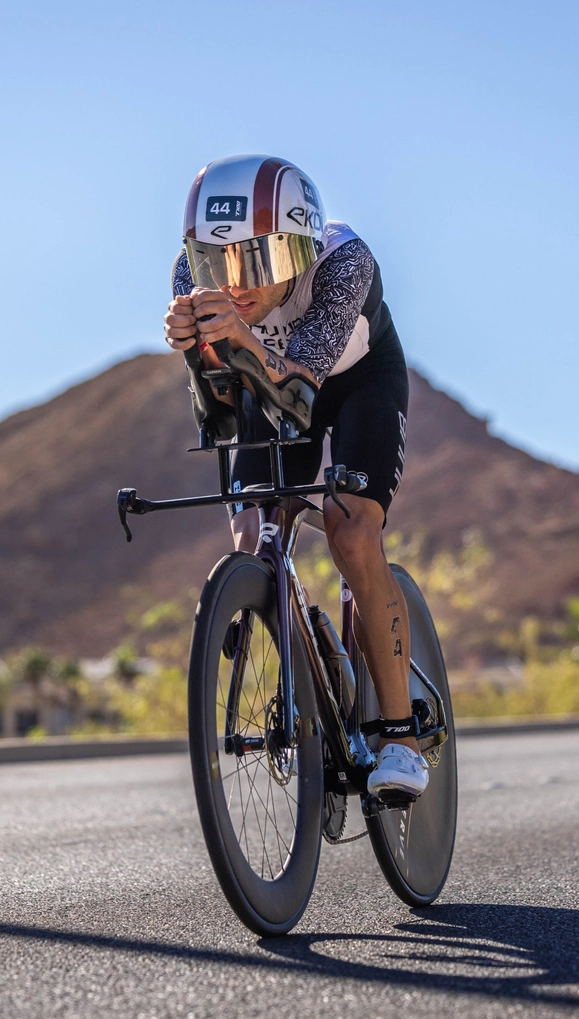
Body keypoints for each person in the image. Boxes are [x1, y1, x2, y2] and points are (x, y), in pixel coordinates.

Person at [164, 154, 428, 798]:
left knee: (350, 530)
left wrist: (242, 343)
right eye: (215, 263)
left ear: (298, 250)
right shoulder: (187, 279)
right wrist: (201, 356)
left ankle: (400, 735)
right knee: (255, 532)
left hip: (353, 384)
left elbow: (302, 397)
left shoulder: (343, 263)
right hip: (268, 384)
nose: (235, 284)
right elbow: (225, 414)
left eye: (255, 262)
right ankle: (308, 675)